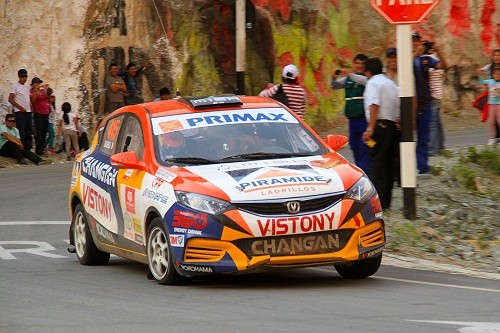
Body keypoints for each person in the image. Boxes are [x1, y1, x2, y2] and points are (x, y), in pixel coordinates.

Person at [362, 57, 400, 210]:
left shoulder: (373, 83)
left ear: (369, 72)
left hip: (379, 126)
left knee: (377, 165)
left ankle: (377, 204)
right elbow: (397, 108)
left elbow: (374, 104)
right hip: (392, 127)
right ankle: (386, 202)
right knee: (389, 165)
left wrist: (370, 129)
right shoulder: (391, 83)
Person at [330, 53, 370, 174]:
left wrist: (349, 74)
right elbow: (334, 85)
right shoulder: (348, 79)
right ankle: (360, 168)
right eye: (357, 63)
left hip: (364, 119)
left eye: (362, 64)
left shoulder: (367, 78)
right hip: (352, 120)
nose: (360, 66)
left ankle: (366, 171)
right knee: (353, 144)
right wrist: (333, 77)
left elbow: (360, 80)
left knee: (364, 145)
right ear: (354, 64)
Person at [412, 31, 444, 174]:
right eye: (412, 41)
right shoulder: (404, 58)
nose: (415, 44)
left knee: (424, 137)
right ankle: (401, 171)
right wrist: (414, 54)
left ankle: (423, 167)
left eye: (417, 41)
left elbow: (443, 66)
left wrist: (438, 51)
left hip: (425, 103)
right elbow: (402, 67)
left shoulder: (426, 59)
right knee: (405, 138)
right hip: (407, 104)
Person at [425, 42, 448, 156]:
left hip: (433, 95)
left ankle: (433, 148)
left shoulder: (429, 60)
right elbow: (445, 67)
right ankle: (441, 146)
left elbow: (427, 78)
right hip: (438, 95)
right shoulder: (436, 59)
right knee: (437, 123)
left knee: (433, 123)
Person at [477, 49, 500, 143]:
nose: (496, 57)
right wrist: (480, 73)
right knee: (492, 118)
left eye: (498, 55)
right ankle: (493, 137)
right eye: (495, 55)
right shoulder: (489, 67)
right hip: (492, 95)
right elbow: (482, 74)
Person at [8, 69, 33, 151]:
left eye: (26, 76)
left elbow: (29, 99)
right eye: (22, 76)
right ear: (19, 76)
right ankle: (21, 150)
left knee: (29, 132)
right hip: (20, 112)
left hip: (28, 112)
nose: (24, 78)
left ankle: (28, 150)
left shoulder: (26, 87)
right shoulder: (15, 86)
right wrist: (20, 108)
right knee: (21, 132)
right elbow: (10, 99)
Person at [30, 77, 50, 156]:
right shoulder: (32, 91)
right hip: (38, 113)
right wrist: (35, 90)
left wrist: (46, 90)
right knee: (39, 132)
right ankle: (38, 149)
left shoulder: (42, 91)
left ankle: (42, 148)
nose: (39, 85)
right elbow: (33, 101)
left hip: (46, 112)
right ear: (34, 84)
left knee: (44, 131)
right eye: (37, 83)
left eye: (39, 83)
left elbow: (47, 98)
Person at [45, 88, 57, 155]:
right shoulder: (47, 105)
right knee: (52, 135)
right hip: (48, 122)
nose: (53, 98)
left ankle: (44, 146)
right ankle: (50, 147)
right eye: (52, 97)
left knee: (50, 136)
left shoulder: (52, 105)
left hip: (51, 122)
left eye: (54, 97)